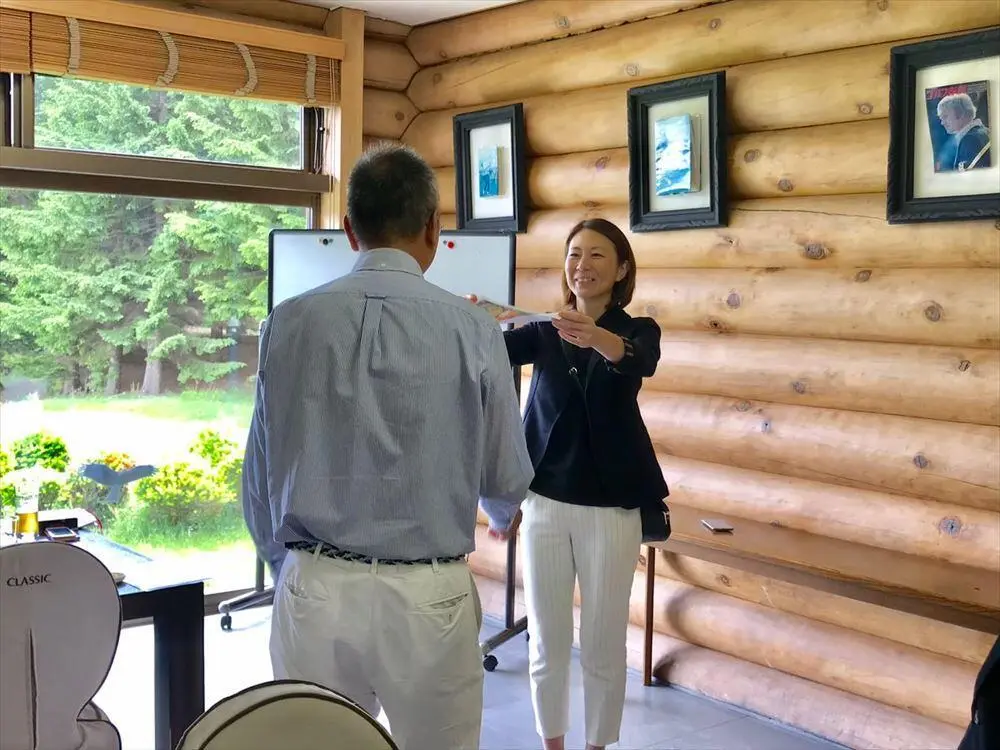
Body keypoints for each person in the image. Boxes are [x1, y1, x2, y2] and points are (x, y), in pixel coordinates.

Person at [240, 143, 533, 750]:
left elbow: (260, 472)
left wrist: (287, 565)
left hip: (314, 583)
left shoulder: (287, 322)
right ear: (433, 228)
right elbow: (505, 473)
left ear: (349, 230)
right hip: (429, 596)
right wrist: (503, 516)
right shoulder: (476, 328)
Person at [487, 218, 669, 750]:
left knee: (602, 643)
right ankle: (553, 743)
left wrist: (595, 337)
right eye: (573, 255)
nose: (582, 266)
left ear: (621, 269)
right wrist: (479, 320)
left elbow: (638, 361)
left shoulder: (637, 331)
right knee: (545, 638)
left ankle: (598, 745)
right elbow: (493, 354)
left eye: (596, 256)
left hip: (612, 510)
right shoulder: (543, 330)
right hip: (544, 503)